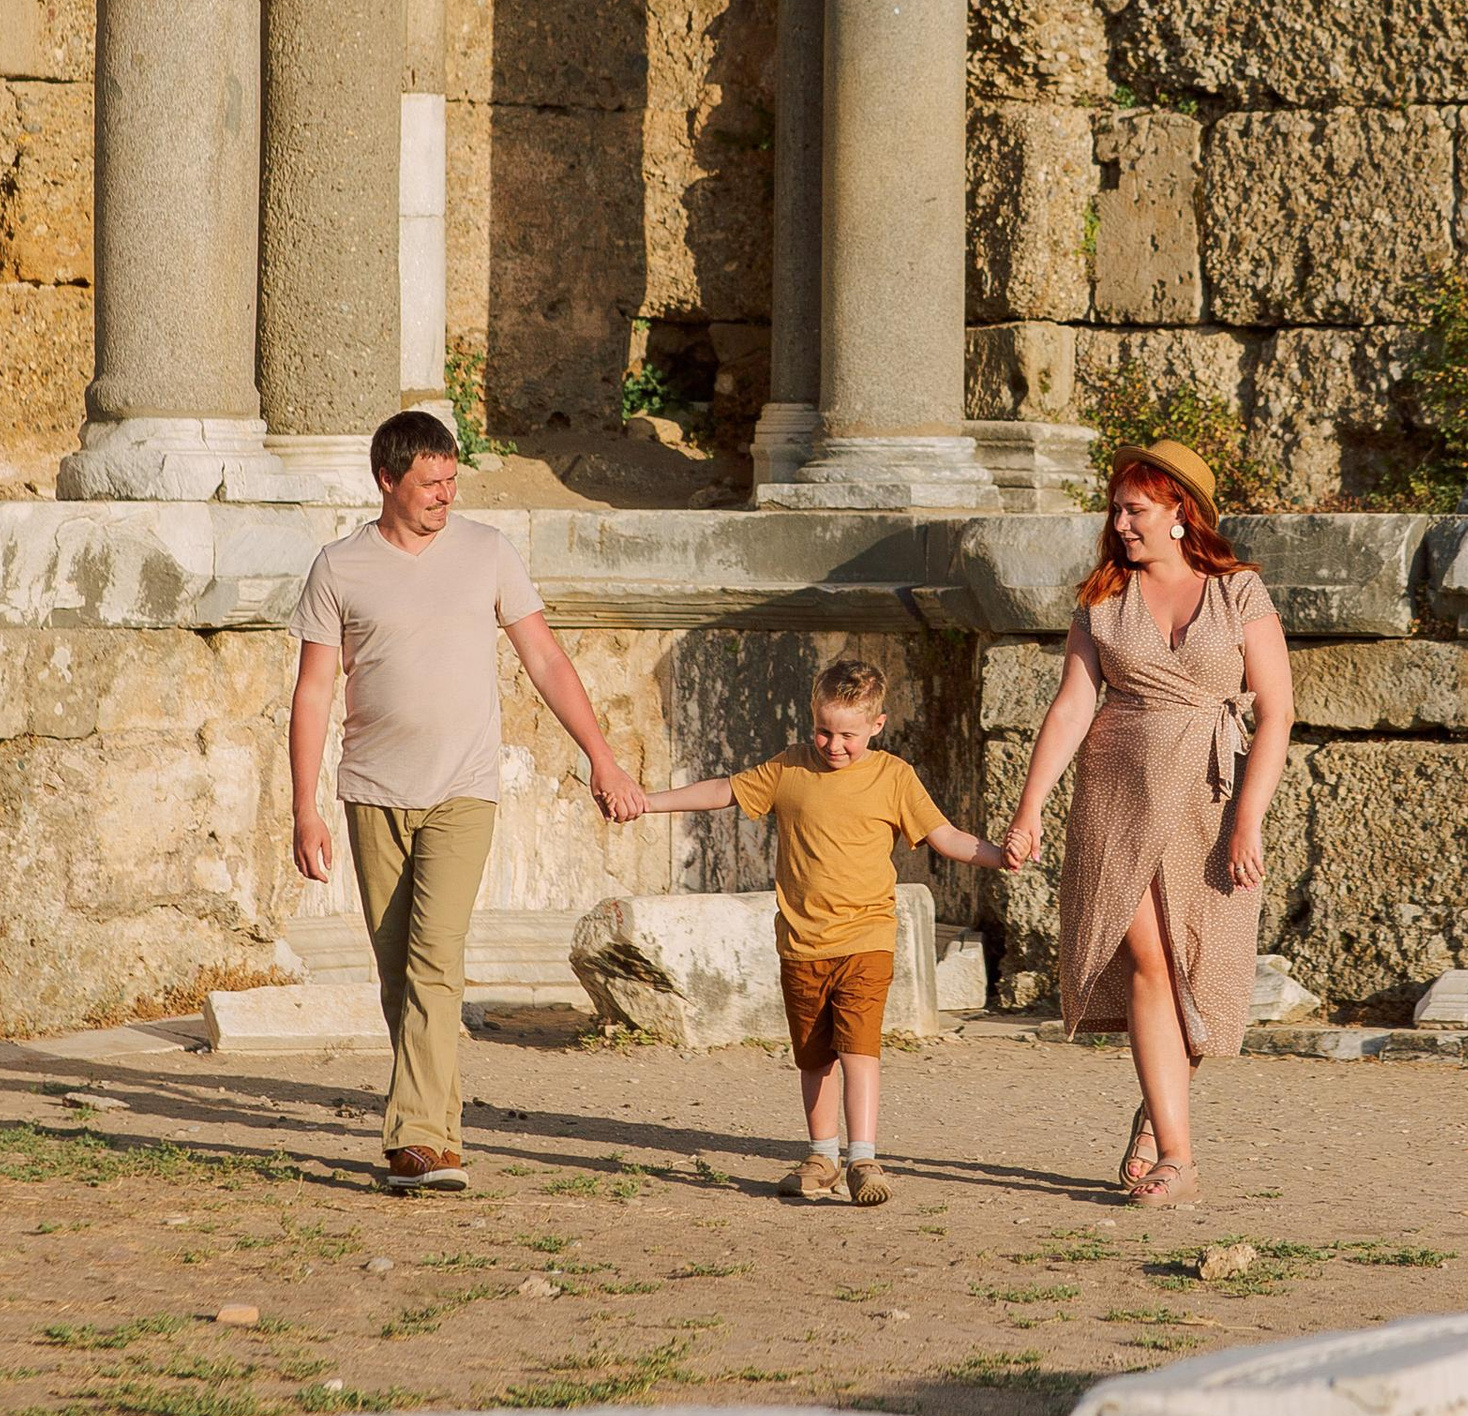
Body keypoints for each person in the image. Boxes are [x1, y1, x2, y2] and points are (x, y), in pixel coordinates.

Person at [288, 408, 649, 1195]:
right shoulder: (339, 567)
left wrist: (602, 758)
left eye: (453, 481)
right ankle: (438, 1132)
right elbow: (313, 692)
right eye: (431, 484)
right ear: (387, 481)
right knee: (398, 976)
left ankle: (415, 1141)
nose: (446, 496)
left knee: (434, 956)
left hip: (463, 788)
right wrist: (304, 808)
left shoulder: (488, 552)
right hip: (371, 790)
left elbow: (547, 660)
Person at [1002, 438, 1294, 1208]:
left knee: (1198, 968)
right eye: (1116, 509)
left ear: (1178, 514)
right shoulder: (1102, 599)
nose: (1120, 523)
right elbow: (1071, 708)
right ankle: (1178, 1156)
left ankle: (1157, 1102)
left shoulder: (1239, 593)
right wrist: (1029, 809)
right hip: (1117, 792)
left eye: (1135, 509)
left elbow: (1277, 712)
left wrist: (1249, 821)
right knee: (1150, 962)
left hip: (1210, 794)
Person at [632, 655, 1007, 1207]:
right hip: (802, 944)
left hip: (867, 939)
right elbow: (724, 792)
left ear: (877, 725)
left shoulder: (894, 777)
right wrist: (647, 803)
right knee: (813, 1057)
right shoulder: (789, 769)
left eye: (848, 735)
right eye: (824, 731)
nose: (834, 745)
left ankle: (864, 1158)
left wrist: (999, 855)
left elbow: (944, 835)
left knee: (860, 1050)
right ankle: (821, 1154)